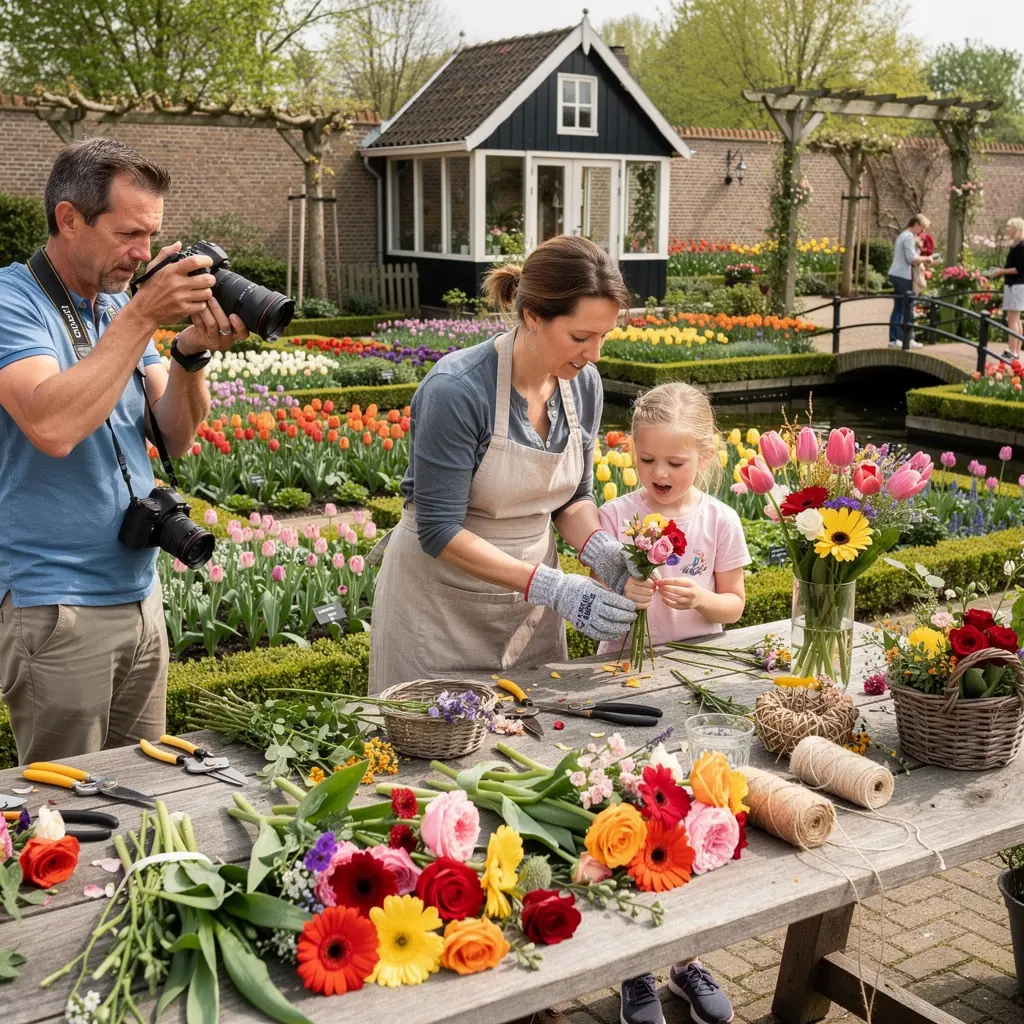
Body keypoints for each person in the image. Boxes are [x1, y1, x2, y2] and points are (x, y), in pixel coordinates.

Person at [0, 138, 248, 764]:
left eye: (154, 235)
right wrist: (140, 317)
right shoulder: (11, 302)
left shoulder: (115, 304)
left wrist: (190, 351)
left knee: (145, 795)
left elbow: (175, 434)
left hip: (139, 592)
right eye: (129, 234)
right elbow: (51, 427)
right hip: (54, 603)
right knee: (68, 818)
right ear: (68, 218)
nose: (144, 254)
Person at [369, 237, 648, 701]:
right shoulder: (457, 391)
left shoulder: (584, 385)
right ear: (533, 318)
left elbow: (573, 500)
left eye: (604, 336)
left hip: (527, 613)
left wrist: (602, 551)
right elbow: (438, 530)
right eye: (581, 337)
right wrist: (553, 586)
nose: (594, 353)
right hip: (439, 612)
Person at [599, 382, 750, 1024]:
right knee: (631, 813)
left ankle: (688, 958)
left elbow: (734, 603)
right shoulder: (614, 516)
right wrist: (624, 592)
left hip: (695, 680)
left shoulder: (719, 520)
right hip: (626, 682)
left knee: (694, 818)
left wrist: (699, 600)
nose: (659, 474)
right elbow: (597, 603)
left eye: (675, 463)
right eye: (646, 461)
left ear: (706, 457)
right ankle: (633, 971)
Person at [888, 214, 935, 349]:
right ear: (916, 224)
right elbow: (911, 258)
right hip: (903, 276)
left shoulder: (904, 235)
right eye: (922, 228)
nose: (923, 231)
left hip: (897, 274)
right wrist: (927, 259)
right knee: (905, 308)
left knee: (899, 308)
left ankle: (897, 339)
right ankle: (903, 339)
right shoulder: (908, 237)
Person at [987, 216, 1024, 362]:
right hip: (1014, 285)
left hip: (1015, 286)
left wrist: (1001, 271)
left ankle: (1013, 350)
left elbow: (1019, 269)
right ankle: (1016, 350)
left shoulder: (1021, 247)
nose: (1007, 230)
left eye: (1009, 227)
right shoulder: (1017, 246)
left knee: (1012, 320)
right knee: (1017, 320)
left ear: (1015, 229)